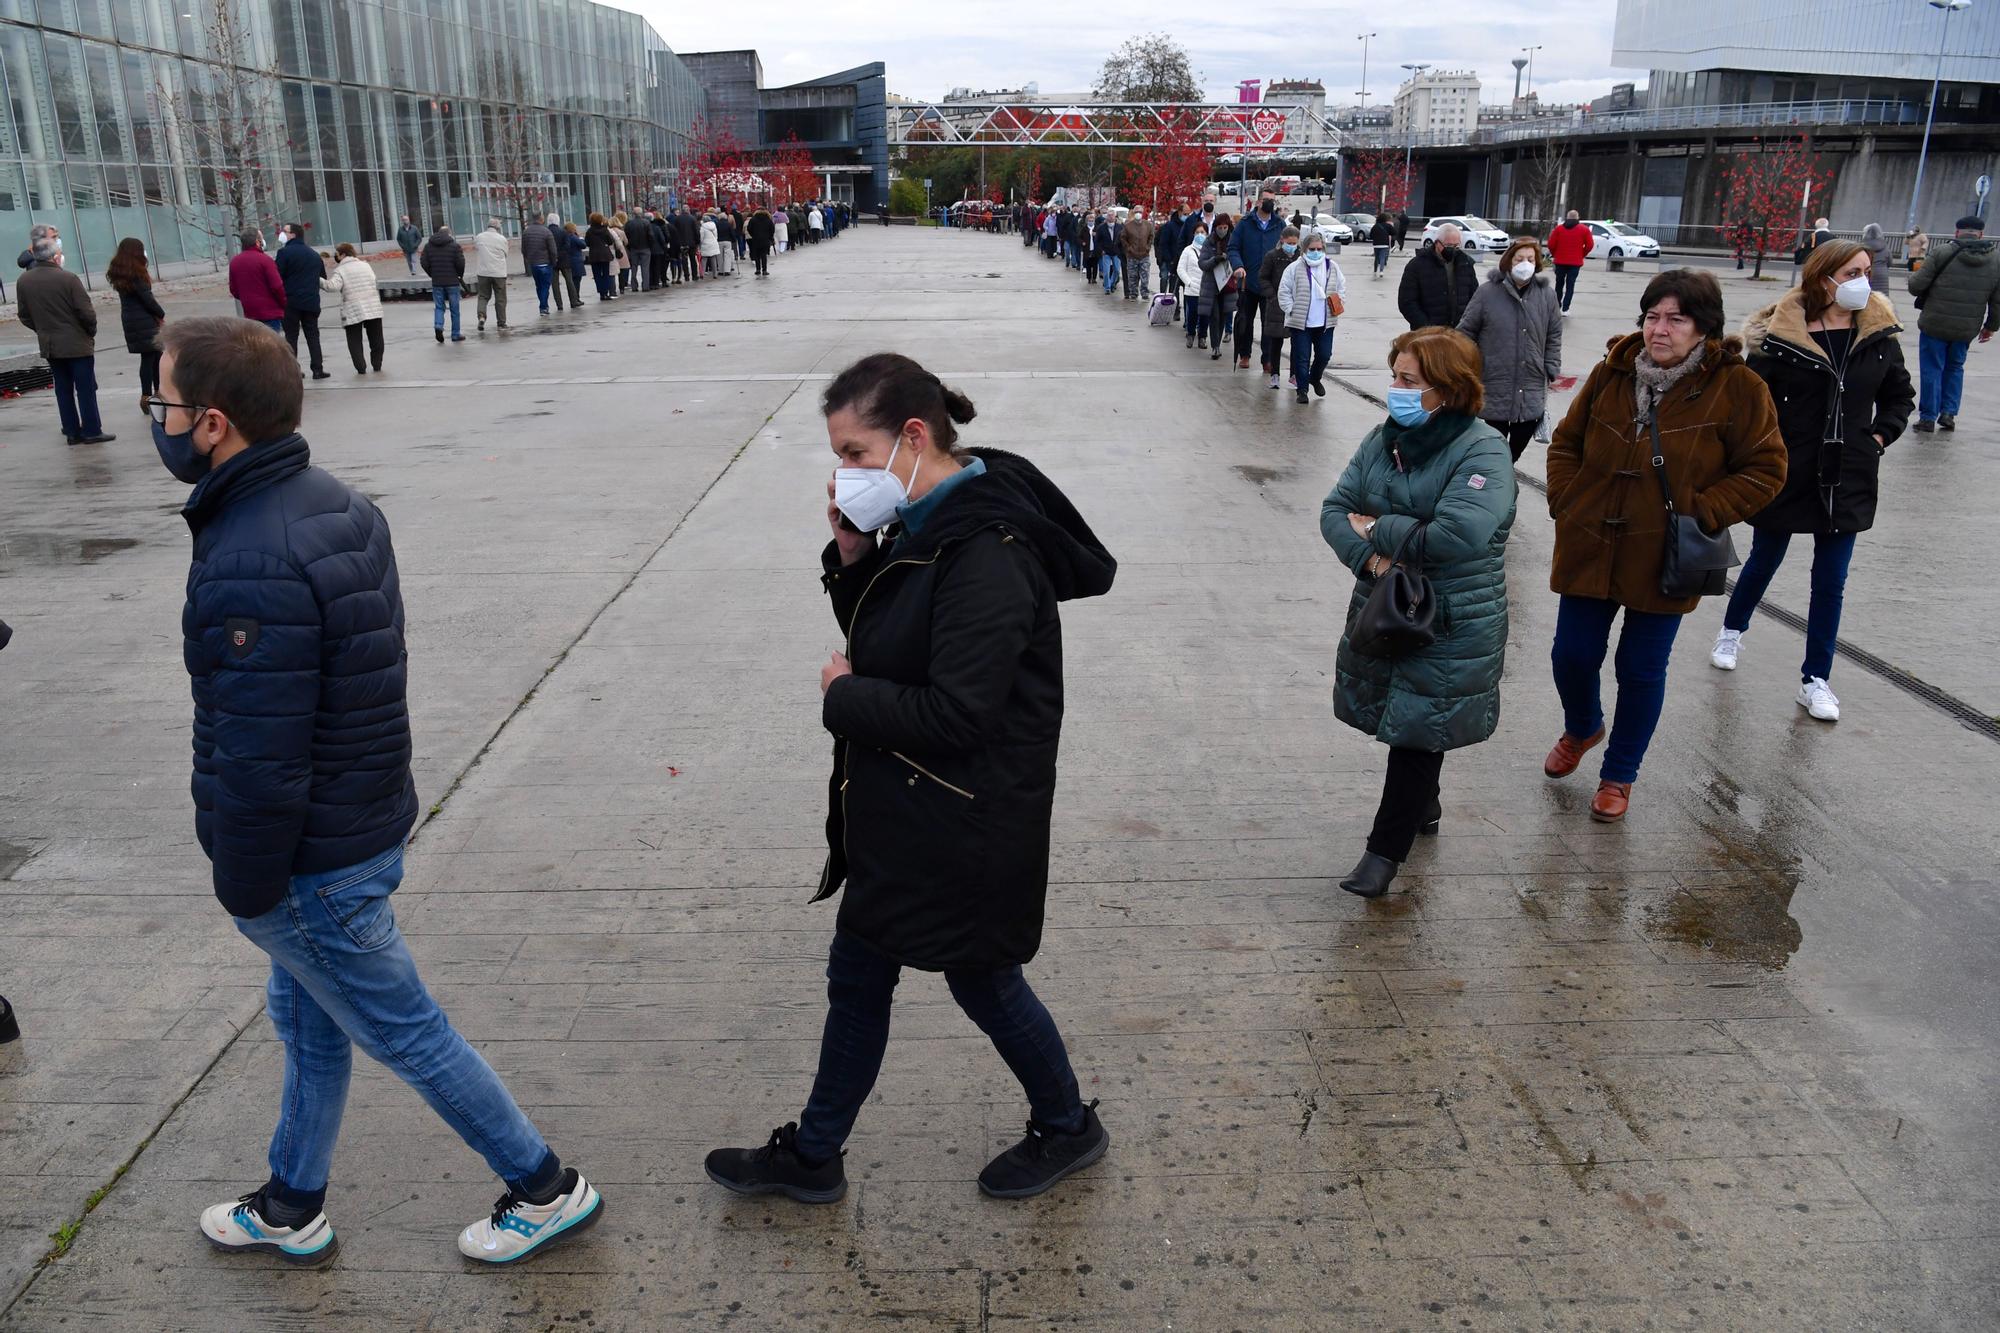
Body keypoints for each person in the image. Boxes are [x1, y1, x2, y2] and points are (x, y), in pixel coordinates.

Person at [150, 317, 601, 1267]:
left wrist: (245, 882)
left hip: (309, 859)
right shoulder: (339, 504)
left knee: (407, 1032)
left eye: (165, 400)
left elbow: (262, 749)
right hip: (358, 823)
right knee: (309, 1020)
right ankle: (292, 1200)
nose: (156, 416)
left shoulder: (247, 554)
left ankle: (544, 1184)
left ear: (214, 423)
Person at [702, 352, 1117, 1205]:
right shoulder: (928, 525)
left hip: (968, 823)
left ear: (913, 437)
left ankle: (1069, 1124)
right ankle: (814, 1153)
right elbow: (895, 638)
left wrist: (845, 698)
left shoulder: (989, 552)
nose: (843, 471)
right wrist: (854, 559)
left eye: (855, 452)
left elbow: (958, 713)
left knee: (984, 978)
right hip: (912, 812)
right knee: (859, 972)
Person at [1544, 269, 1786, 822]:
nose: (1661, 329)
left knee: (1641, 667)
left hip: (1666, 553)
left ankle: (1619, 775)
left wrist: (1704, 512)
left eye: (1676, 319)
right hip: (1589, 537)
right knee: (1571, 655)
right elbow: (1567, 442)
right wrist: (1567, 498)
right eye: (1653, 316)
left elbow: (1767, 469)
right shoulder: (1612, 372)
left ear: (1704, 328)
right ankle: (1583, 727)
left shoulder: (1739, 387)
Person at [1319, 328, 1515, 898]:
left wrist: (1377, 527)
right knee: (1408, 719)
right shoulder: (1385, 439)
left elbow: (1460, 533)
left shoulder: (1483, 449)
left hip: (1450, 617)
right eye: (1395, 376)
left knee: (1417, 731)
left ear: (1449, 389)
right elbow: (1335, 510)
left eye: (1409, 380)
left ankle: (1383, 855)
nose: (1396, 389)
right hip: (1387, 602)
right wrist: (1377, 564)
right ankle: (1424, 803)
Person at [1715, 240, 1913, 722]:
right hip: (1790, 469)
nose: (1863, 281)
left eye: (1866, 271)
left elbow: (1899, 396)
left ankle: (1815, 679)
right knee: (1765, 559)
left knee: (1831, 581)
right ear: (1823, 278)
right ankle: (1732, 628)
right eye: (1851, 272)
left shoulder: (1878, 337)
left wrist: (1880, 437)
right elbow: (1750, 401)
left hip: (1849, 475)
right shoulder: (1781, 339)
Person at [1457, 237, 1563, 462]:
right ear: (1509, 261)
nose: (1525, 263)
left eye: (1530, 259)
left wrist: (1551, 366)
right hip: (1494, 380)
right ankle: (1495, 482)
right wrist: (1470, 366)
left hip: (1532, 381)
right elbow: (1464, 332)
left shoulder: (1547, 295)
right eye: (1520, 258)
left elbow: (1554, 335)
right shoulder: (1487, 293)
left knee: (1517, 445)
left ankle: (1505, 472)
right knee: (1492, 447)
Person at [17, 233, 114, 444]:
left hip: (50, 344)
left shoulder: (24, 280)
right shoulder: (68, 278)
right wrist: (89, 331)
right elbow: (86, 312)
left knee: (63, 389)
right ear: (53, 257)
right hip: (77, 343)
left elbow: (24, 315)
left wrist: (42, 329)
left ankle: (71, 431)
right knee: (85, 389)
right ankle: (91, 430)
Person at [1906, 215, 1999, 434]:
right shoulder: (1996, 260)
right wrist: (1991, 326)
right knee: (1955, 367)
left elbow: (1916, 286)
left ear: (1957, 232)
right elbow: (1997, 300)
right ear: (1982, 234)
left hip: (1935, 324)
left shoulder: (1942, 252)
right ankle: (1948, 413)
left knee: (1932, 368)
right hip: (1967, 328)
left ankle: (1928, 417)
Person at [1276, 229, 1346, 404]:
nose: (1316, 252)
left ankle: (1314, 377)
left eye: (1319, 249)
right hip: (1301, 322)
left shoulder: (1332, 267)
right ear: (1304, 249)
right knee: (1302, 357)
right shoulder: (1293, 268)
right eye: (1312, 249)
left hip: (1325, 322)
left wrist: (1339, 301)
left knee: (1324, 355)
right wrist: (1290, 309)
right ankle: (1302, 390)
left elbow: (1341, 287)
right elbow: (1283, 291)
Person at [106, 237, 166, 415]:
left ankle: (149, 394)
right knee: (154, 357)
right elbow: (147, 299)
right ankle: (154, 394)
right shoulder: (136, 274)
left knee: (149, 358)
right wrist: (160, 313)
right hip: (145, 320)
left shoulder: (119, 272)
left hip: (131, 319)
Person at [1227, 191, 1286, 372]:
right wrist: (1237, 266)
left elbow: (1288, 248)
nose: (1269, 203)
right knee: (1246, 320)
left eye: (1272, 200)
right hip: (1248, 282)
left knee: (1270, 323)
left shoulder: (1279, 224)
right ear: (1259, 202)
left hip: (1270, 284)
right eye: (1266, 200)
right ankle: (1245, 354)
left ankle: (1267, 359)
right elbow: (1233, 248)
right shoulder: (1245, 224)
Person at [274, 225, 330, 380]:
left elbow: (277, 276)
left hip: (291, 302)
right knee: (313, 335)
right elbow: (322, 277)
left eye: (284, 231)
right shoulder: (313, 254)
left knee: (291, 336)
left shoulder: (284, 253)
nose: (281, 234)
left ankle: (293, 371)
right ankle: (318, 369)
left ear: (293, 234)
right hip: (311, 301)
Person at [1398, 225, 1478, 331]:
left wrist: (1467, 325)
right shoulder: (1417, 265)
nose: (1453, 249)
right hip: (1427, 336)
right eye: (1449, 245)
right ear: (1437, 243)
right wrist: (1426, 327)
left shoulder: (1466, 263)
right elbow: (1407, 302)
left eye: (1456, 246)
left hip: (1459, 333)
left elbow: (1475, 299)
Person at [321, 243, 384, 375]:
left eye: (337, 254)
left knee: (354, 340)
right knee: (376, 337)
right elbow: (374, 281)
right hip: (372, 305)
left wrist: (318, 280)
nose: (335, 257)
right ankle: (377, 364)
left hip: (352, 307)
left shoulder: (341, 270)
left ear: (343, 254)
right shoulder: (365, 265)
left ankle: (361, 368)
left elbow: (332, 287)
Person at [1258, 226, 1303, 390]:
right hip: (1276, 304)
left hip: (1297, 304)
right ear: (1282, 240)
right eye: (1289, 242)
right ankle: (1275, 374)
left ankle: (1294, 374)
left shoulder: (1301, 256)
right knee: (1275, 342)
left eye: (1294, 243)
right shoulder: (1272, 256)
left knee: (1297, 343)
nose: (1291, 245)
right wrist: (1272, 296)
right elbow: (1263, 277)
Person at [229, 230, 286, 332]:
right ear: (257, 241)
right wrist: (284, 303)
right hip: (270, 312)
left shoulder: (235, 262)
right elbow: (277, 286)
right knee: (271, 344)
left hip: (250, 312)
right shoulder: (265, 260)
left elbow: (234, 289)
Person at [1198, 215, 1238, 361]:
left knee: (1223, 315)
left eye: (1225, 228)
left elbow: (1238, 259)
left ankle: (1218, 343)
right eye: (1219, 228)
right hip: (1211, 284)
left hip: (1227, 285)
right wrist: (1215, 259)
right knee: (1214, 316)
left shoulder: (1233, 241)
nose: (1222, 231)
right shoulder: (1209, 242)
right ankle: (1215, 346)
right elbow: (1202, 263)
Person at [421, 223, 466, 342]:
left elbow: (423, 261)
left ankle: (438, 325)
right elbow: (461, 263)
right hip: (452, 282)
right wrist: (459, 275)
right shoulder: (455, 246)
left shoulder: (428, 246)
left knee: (439, 307)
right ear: (449, 233)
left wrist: (431, 273)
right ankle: (455, 334)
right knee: (455, 309)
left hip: (437, 282)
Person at [1546, 210, 1594, 313]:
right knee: (1570, 285)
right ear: (1578, 217)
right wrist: (1582, 254)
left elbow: (1551, 244)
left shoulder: (1558, 229)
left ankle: (1557, 306)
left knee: (1559, 284)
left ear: (1567, 217)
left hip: (1560, 262)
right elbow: (1590, 245)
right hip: (1575, 262)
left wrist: (1555, 254)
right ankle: (1566, 309)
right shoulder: (1584, 230)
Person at [1177, 217, 1209, 349]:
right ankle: (1190, 335)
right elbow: (1181, 269)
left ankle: (1202, 337)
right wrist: (1188, 282)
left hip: (1207, 288)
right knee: (1192, 313)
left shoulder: (1210, 250)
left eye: (1203, 232)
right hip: (1192, 289)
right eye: (1197, 232)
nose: (1200, 235)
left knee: (1205, 315)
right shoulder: (1188, 250)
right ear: (1193, 234)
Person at [472, 217, 510, 329]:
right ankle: (501, 322)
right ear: (498, 227)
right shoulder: (502, 239)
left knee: (483, 296)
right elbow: (505, 254)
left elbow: (477, 249)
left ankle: (481, 316)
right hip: (499, 272)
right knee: (500, 298)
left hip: (483, 272)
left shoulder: (479, 237)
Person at [522, 213, 559, 315]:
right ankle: (543, 307)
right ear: (541, 219)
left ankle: (543, 305)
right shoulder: (547, 232)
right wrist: (553, 261)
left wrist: (529, 259)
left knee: (539, 286)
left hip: (534, 264)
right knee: (545, 286)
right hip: (545, 263)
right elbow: (553, 250)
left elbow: (523, 249)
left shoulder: (526, 232)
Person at [1120, 204, 1154, 300]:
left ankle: (1144, 293)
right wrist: (1129, 248)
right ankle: (1133, 293)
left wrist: (1148, 247)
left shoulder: (1148, 225)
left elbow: (1151, 236)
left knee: (1145, 276)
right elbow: (1123, 238)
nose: (1138, 214)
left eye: (1140, 212)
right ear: (1133, 213)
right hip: (1132, 256)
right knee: (1132, 276)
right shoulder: (1128, 226)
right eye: (1136, 212)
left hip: (1144, 255)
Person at [584, 213, 616, 300]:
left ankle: (601, 292)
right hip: (605, 254)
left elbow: (587, 243)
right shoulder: (605, 230)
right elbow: (610, 241)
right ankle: (605, 292)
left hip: (594, 254)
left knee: (597, 275)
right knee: (606, 274)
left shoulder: (589, 231)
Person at [559, 221, 586, 307]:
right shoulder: (573, 237)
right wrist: (581, 238)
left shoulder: (564, 237)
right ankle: (576, 298)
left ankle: (575, 298)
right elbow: (583, 245)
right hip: (576, 261)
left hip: (569, 260)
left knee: (573, 281)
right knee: (576, 281)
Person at [624, 211, 652, 291]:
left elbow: (626, 236)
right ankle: (645, 286)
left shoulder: (629, 223)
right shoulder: (646, 223)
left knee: (634, 267)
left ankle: (634, 286)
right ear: (641, 213)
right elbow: (650, 235)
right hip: (645, 247)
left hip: (633, 248)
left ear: (633, 214)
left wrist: (629, 246)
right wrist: (650, 245)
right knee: (645, 268)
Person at [1858, 223, 1890, 292]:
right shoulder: (1885, 246)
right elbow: (1890, 262)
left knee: (1867, 297)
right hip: (1882, 274)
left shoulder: (1862, 246)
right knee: (1882, 298)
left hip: (1868, 273)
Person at [747, 207, 775, 276]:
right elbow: (772, 229)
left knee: (757, 255)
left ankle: (758, 269)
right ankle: (764, 270)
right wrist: (770, 237)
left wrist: (753, 235)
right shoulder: (768, 219)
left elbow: (749, 228)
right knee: (764, 255)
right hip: (765, 239)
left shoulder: (753, 219)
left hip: (756, 239)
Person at [1369, 213, 1394, 279]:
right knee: (1382, 257)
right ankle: (1381, 271)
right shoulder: (1388, 226)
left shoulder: (1375, 226)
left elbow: (1371, 235)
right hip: (1385, 244)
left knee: (1376, 258)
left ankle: (1375, 271)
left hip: (1376, 244)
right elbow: (1394, 232)